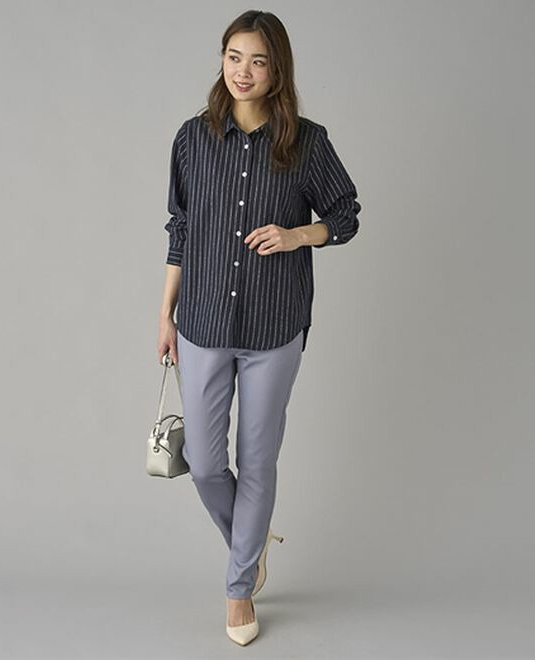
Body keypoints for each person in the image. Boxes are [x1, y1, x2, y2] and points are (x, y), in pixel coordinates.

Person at [157, 9, 362, 646]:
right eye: (234, 57)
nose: (243, 72)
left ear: (278, 71)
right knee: (204, 463)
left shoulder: (308, 142)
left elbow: (346, 216)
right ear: (222, 60)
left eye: (258, 61)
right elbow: (180, 228)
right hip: (202, 320)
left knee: (257, 460)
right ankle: (251, 542)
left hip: (276, 324)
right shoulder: (192, 138)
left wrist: (298, 234)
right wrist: (164, 314)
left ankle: (239, 587)